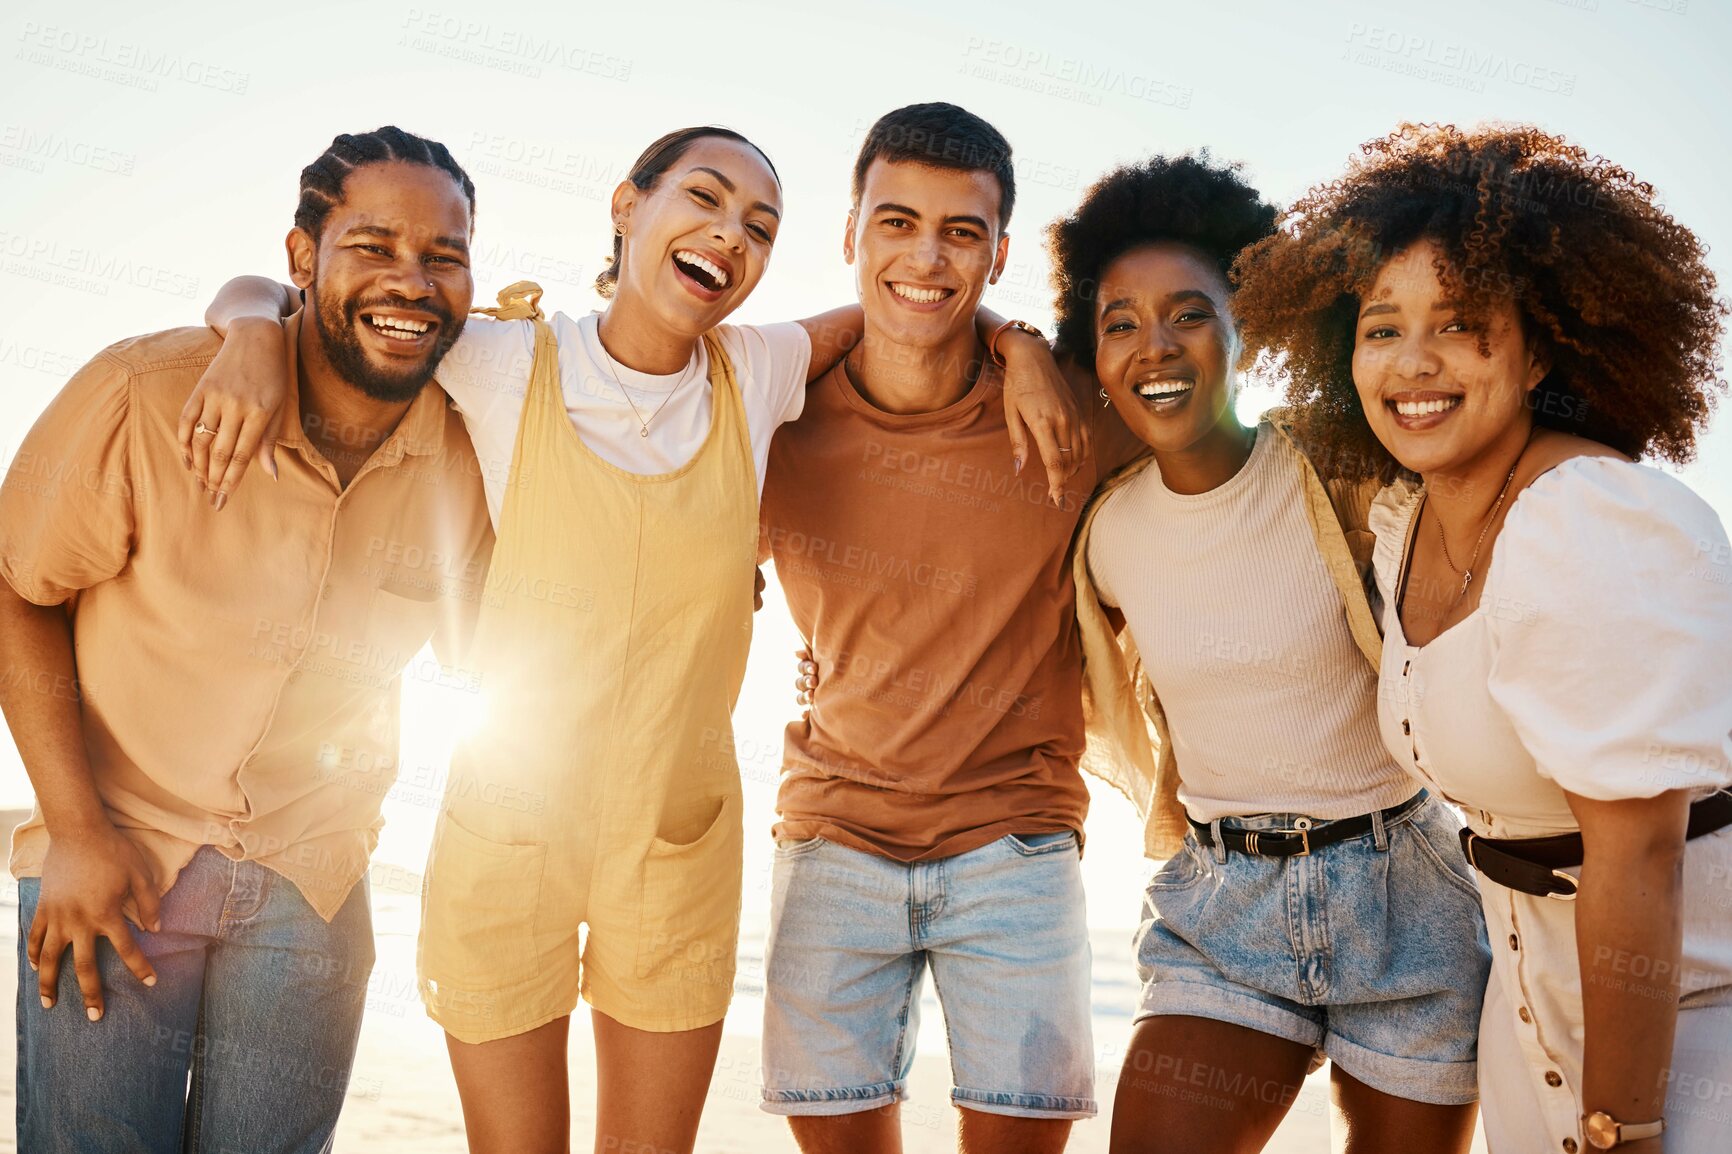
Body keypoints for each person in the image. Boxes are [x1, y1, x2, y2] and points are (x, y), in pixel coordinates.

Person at [192, 123, 1081, 1154]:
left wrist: (1017, 345)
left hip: (678, 840)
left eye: (759, 224)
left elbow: (911, 308)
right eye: (702, 199)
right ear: (627, 205)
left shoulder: (758, 368)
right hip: (507, 829)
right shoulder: (498, 358)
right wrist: (251, 323)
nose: (728, 234)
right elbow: (311, 307)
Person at [1234, 122, 1732, 1152]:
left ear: (1538, 343)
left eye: (1459, 323)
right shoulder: (1403, 518)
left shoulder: (1591, 517)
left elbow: (1638, 849)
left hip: (1688, 1026)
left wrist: (1623, 1129)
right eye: (1380, 327)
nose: (1413, 363)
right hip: (1527, 1008)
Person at [0, 126, 493, 1153]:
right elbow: (15, 586)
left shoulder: (473, 439)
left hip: (312, 879)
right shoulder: (146, 392)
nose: (413, 279)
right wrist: (76, 828)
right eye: (374, 244)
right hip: (113, 857)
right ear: (303, 257)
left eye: (444, 254)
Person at [1052, 153, 1491, 1154]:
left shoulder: (1340, 469)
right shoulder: (1104, 533)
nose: (1153, 345)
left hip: (1404, 891)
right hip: (1224, 907)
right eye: (1119, 320)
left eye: (1190, 312)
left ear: (1247, 328)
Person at [758, 101, 1140, 1154]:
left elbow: (1224, 441)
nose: (925, 256)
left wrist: (1018, 344)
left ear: (998, 252)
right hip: (832, 836)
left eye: (960, 232)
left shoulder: (1065, 410)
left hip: (1014, 845)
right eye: (896, 222)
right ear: (850, 234)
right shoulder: (776, 416)